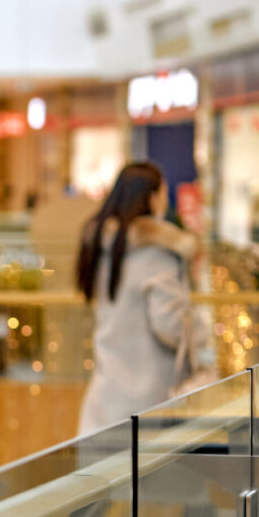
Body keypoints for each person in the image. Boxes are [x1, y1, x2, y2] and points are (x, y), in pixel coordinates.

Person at [76, 161, 205, 434]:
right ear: (152, 198)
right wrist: (202, 328)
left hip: (104, 400)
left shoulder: (102, 248)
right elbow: (169, 324)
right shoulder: (156, 252)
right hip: (149, 404)